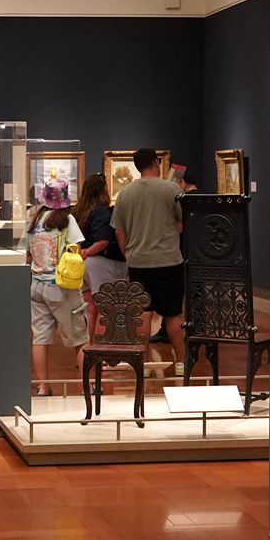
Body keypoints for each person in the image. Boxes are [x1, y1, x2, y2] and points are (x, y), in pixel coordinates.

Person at [112, 147, 185, 373]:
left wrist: (128, 254)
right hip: (168, 260)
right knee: (173, 314)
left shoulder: (125, 194)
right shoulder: (171, 188)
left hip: (138, 262)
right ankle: (182, 363)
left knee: (143, 312)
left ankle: (143, 364)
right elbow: (184, 220)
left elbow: (119, 230)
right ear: (156, 162)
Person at [24, 183, 85, 397]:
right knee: (79, 337)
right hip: (62, 287)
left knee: (40, 338)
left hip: (36, 285)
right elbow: (76, 251)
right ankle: (87, 387)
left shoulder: (34, 220)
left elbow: (27, 254)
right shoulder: (67, 220)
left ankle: (43, 387)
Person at [72, 172, 122, 338]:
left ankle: (86, 346)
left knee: (89, 307)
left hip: (81, 265)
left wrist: (81, 254)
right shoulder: (101, 212)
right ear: (102, 190)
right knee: (105, 309)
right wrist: (86, 253)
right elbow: (102, 241)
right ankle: (103, 347)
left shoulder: (78, 211)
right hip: (99, 263)